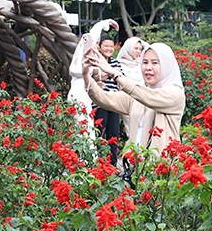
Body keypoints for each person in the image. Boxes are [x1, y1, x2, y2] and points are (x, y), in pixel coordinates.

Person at [84, 42, 186, 161]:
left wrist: (114, 73)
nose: (148, 67)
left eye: (155, 62)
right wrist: (86, 74)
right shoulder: (139, 95)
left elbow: (148, 97)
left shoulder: (175, 94)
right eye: (145, 62)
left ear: (167, 65)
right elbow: (104, 98)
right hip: (134, 169)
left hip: (161, 172)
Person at [67, 19, 118, 129]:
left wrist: (98, 82)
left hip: (85, 92)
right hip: (79, 92)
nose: (96, 47)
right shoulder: (83, 57)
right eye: (95, 43)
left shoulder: (90, 59)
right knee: (82, 125)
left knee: (87, 125)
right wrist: (103, 23)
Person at [92, 35, 124, 164]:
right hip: (99, 103)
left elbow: (120, 77)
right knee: (100, 133)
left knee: (113, 134)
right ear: (99, 47)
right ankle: (100, 164)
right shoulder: (94, 61)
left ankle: (113, 165)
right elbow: (95, 78)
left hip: (114, 102)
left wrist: (104, 74)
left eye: (111, 46)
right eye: (106, 46)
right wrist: (112, 72)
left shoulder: (115, 62)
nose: (109, 49)